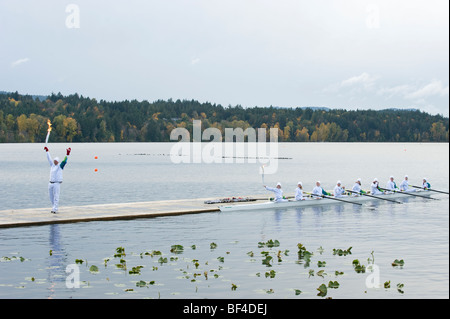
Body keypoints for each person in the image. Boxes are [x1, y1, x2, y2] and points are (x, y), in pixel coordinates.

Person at [45, 146, 71, 214]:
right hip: (50, 183)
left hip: (57, 183)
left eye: (56, 161)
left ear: (58, 161)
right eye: (54, 161)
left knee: (56, 196)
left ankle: (55, 209)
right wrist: (47, 151)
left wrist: (67, 154)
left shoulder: (60, 166)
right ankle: (53, 207)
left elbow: (64, 161)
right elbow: (49, 158)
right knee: (51, 196)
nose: (55, 162)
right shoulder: (52, 165)